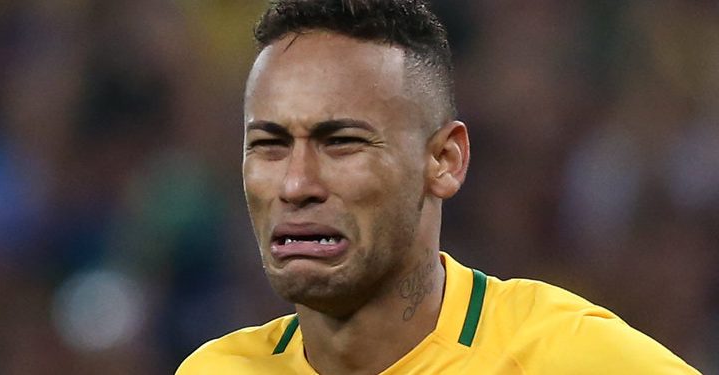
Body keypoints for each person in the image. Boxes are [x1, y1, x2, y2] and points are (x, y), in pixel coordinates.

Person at [177, 1, 700, 373]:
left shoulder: (567, 357)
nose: (296, 183)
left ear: (444, 160)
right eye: (268, 144)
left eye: (341, 142)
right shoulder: (216, 369)